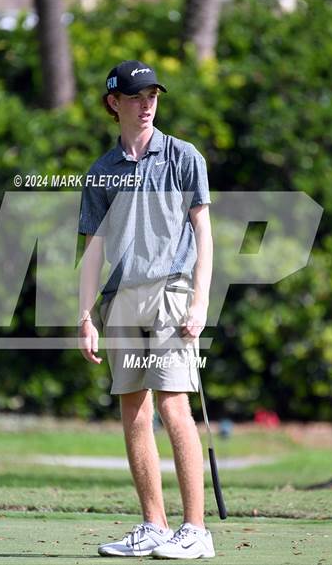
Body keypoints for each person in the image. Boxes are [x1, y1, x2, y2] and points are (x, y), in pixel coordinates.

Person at [78, 60, 214, 559]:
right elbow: (93, 248)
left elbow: (203, 232)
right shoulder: (101, 172)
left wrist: (200, 301)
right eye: (136, 97)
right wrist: (85, 316)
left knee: (173, 404)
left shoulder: (183, 156)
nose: (147, 105)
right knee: (133, 409)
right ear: (114, 102)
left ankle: (196, 530)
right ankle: (154, 525)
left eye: (152, 95)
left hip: (171, 292)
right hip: (120, 299)